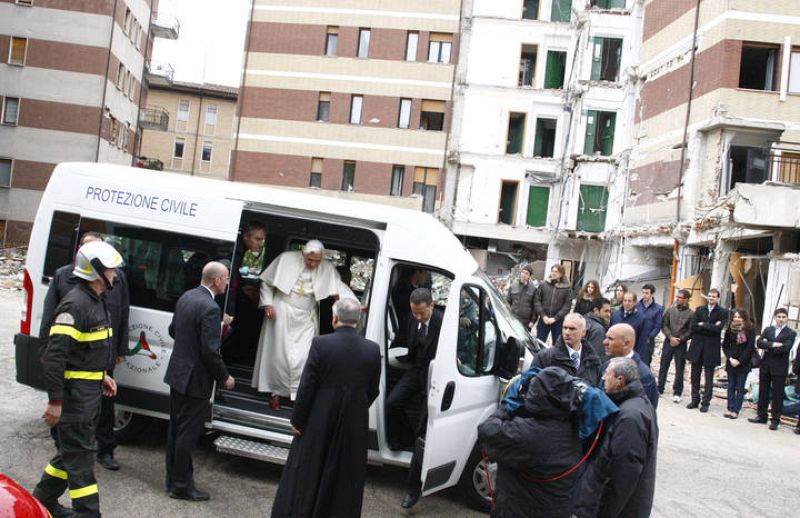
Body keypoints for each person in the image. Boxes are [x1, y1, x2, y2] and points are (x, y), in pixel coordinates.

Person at [32, 241, 123, 517]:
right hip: (74, 399)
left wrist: (102, 375)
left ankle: (41, 502)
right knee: (81, 458)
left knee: (70, 453)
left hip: (88, 394)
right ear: (97, 272)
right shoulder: (75, 305)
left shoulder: (96, 301)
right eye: (111, 270)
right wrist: (55, 402)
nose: (115, 275)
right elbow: (55, 357)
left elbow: (84, 351)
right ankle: (88, 513)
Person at [270, 298, 381, 518]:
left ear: (334, 318)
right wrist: (354, 408)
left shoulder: (321, 344)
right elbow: (373, 390)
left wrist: (297, 420)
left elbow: (307, 387)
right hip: (354, 423)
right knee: (345, 476)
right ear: (358, 320)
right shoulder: (372, 349)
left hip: (320, 419)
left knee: (311, 471)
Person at [253, 240, 355, 409]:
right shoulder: (286, 259)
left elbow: (339, 288)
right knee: (279, 356)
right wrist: (268, 304)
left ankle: (298, 395)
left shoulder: (326, 268)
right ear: (303, 254)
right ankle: (275, 393)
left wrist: (353, 304)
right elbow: (267, 282)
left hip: (307, 317)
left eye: (316, 261)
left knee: (304, 356)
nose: (313, 264)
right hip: (282, 312)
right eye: (309, 260)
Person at [164, 262, 236, 501]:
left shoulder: (187, 296)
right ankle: (181, 486)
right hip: (195, 380)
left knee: (175, 429)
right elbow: (210, 351)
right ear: (217, 281)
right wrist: (224, 377)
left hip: (177, 374)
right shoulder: (211, 308)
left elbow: (173, 330)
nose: (227, 283)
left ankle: (172, 480)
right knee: (187, 434)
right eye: (226, 278)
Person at [477, 367, 582, 518]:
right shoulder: (575, 427)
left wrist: (508, 406)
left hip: (521, 510)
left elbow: (487, 430)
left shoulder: (529, 434)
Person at [575, 358, 658, 518]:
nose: (603, 378)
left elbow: (623, 475)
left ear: (620, 380)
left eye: (607, 374)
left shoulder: (630, 417)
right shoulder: (631, 405)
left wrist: (602, 512)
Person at [386, 288, 443, 510]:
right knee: (392, 404)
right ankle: (403, 438)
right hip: (416, 371)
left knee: (422, 432)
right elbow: (401, 341)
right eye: (414, 312)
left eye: (421, 313)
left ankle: (412, 489)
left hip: (435, 377)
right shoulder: (410, 319)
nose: (417, 317)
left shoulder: (442, 323)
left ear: (432, 306)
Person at [222, 221, 267, 363]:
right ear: (246, 237)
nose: (260, 244)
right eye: (257, 239)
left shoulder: (239, 251)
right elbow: (228, 284)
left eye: (262, 240)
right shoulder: (232, 252)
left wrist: (244, 287)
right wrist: (229, 313)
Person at [749, 308, 797, 430]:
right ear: (775, 317)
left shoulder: (790, 333)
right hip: (766, 365)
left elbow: (786, 348)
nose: (781, 319)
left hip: (780, 367)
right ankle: (762, 415)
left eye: (783, 317)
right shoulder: (768, 330)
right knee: (763, 391)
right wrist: (774, 344)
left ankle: (775, 419)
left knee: (777, 394)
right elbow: (759, 343)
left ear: (786, 318)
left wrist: (768, 346)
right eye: (779, 317)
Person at [687, 289, 728, 413]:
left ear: (718, 298)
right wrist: (711, 326)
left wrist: (703, 324)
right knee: (695, 375)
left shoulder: (722, 312)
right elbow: (694, 326)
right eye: (709, 296)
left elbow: (718, 329)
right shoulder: (700, 309)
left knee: (709, 376)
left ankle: (705, 402)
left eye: (714, 296)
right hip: (697, 346)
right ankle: (695, 400)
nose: (711, 298)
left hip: (711, 348)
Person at [532, 313, 601, 385]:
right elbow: (532, 385)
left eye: (572, 329)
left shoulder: (593, 361)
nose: (567, 332)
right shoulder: (545, 357)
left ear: (583, 332)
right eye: (565, 328)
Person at [600, 323, 659, 408]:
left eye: (611, 339)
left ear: (626, 344)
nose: (605, 342)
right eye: (606, 337)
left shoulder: (643, 375)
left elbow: (643, 410)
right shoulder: (607, 365)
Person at [659, 289, 694, 403]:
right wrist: (670, 337)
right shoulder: (670, 310)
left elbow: (690, 330)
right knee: (663, 365)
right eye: (677, 297)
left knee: (679, 368)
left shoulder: (691, 314)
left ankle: (677, 392)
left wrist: (680, 339)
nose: (677, 299)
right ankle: (660, 388)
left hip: (681, 344)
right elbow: (664, 325)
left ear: (686, 300)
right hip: (669, 341)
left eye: (680, 297)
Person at [721, 309, 755, 419]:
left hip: (743, 363)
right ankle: (730, 408)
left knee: (740, 387)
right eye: (735, 317)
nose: (737, 319)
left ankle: (736, 410)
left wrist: (740, 360)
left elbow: (749, 347)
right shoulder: (730, 329)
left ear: (744, 318)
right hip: (731, 361)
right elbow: (725, 345)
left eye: (739, 317)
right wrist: (730, 358)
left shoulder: (750, 329)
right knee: (731, 386)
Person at [533, 264, 573, 344]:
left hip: (558, 321)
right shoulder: (543, 285)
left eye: (556, 271)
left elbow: (567, 305)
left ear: (561, 274)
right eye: (552, 271)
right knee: (539, 343)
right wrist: (543, 315)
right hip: (544, 319)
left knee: (557, 344)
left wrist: (555, 318)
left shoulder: (566, 288)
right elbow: (537, 300)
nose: (553, 273)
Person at [610, 292, 650, 360]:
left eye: (629, 301)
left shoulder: (641, 318)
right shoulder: (615, 315)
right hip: (616, 353)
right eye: (625, 300)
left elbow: (642, 341)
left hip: (631, 354)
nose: (627, 303)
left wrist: (637, 358)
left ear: (635, 303)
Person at [635, 284, 663, 367]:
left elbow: (657, 326)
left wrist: (649, 337)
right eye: (643, 292)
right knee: (633, 363)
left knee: (645, 364)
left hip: (647, 341)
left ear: (652, 294)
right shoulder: (636, 306)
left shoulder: (658, 309)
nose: (644, 295)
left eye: (646, 293)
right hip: (635, 339)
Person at [506, 264, 537, 331]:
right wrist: (507, 317)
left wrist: (532, 321)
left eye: (526, 273)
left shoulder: (533, 289)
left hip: (526, 322)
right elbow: (507, 303)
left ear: (529, 276)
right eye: (523, 272)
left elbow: (535, 307)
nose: (523, 275)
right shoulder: (513, 286)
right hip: (513, 320)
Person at [584, 297, 611, 362]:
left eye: (609, 311)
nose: (609, 315)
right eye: (606, 311)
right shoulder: (598, 330)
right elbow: (599, 356)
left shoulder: (583, 321)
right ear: (596, 310)